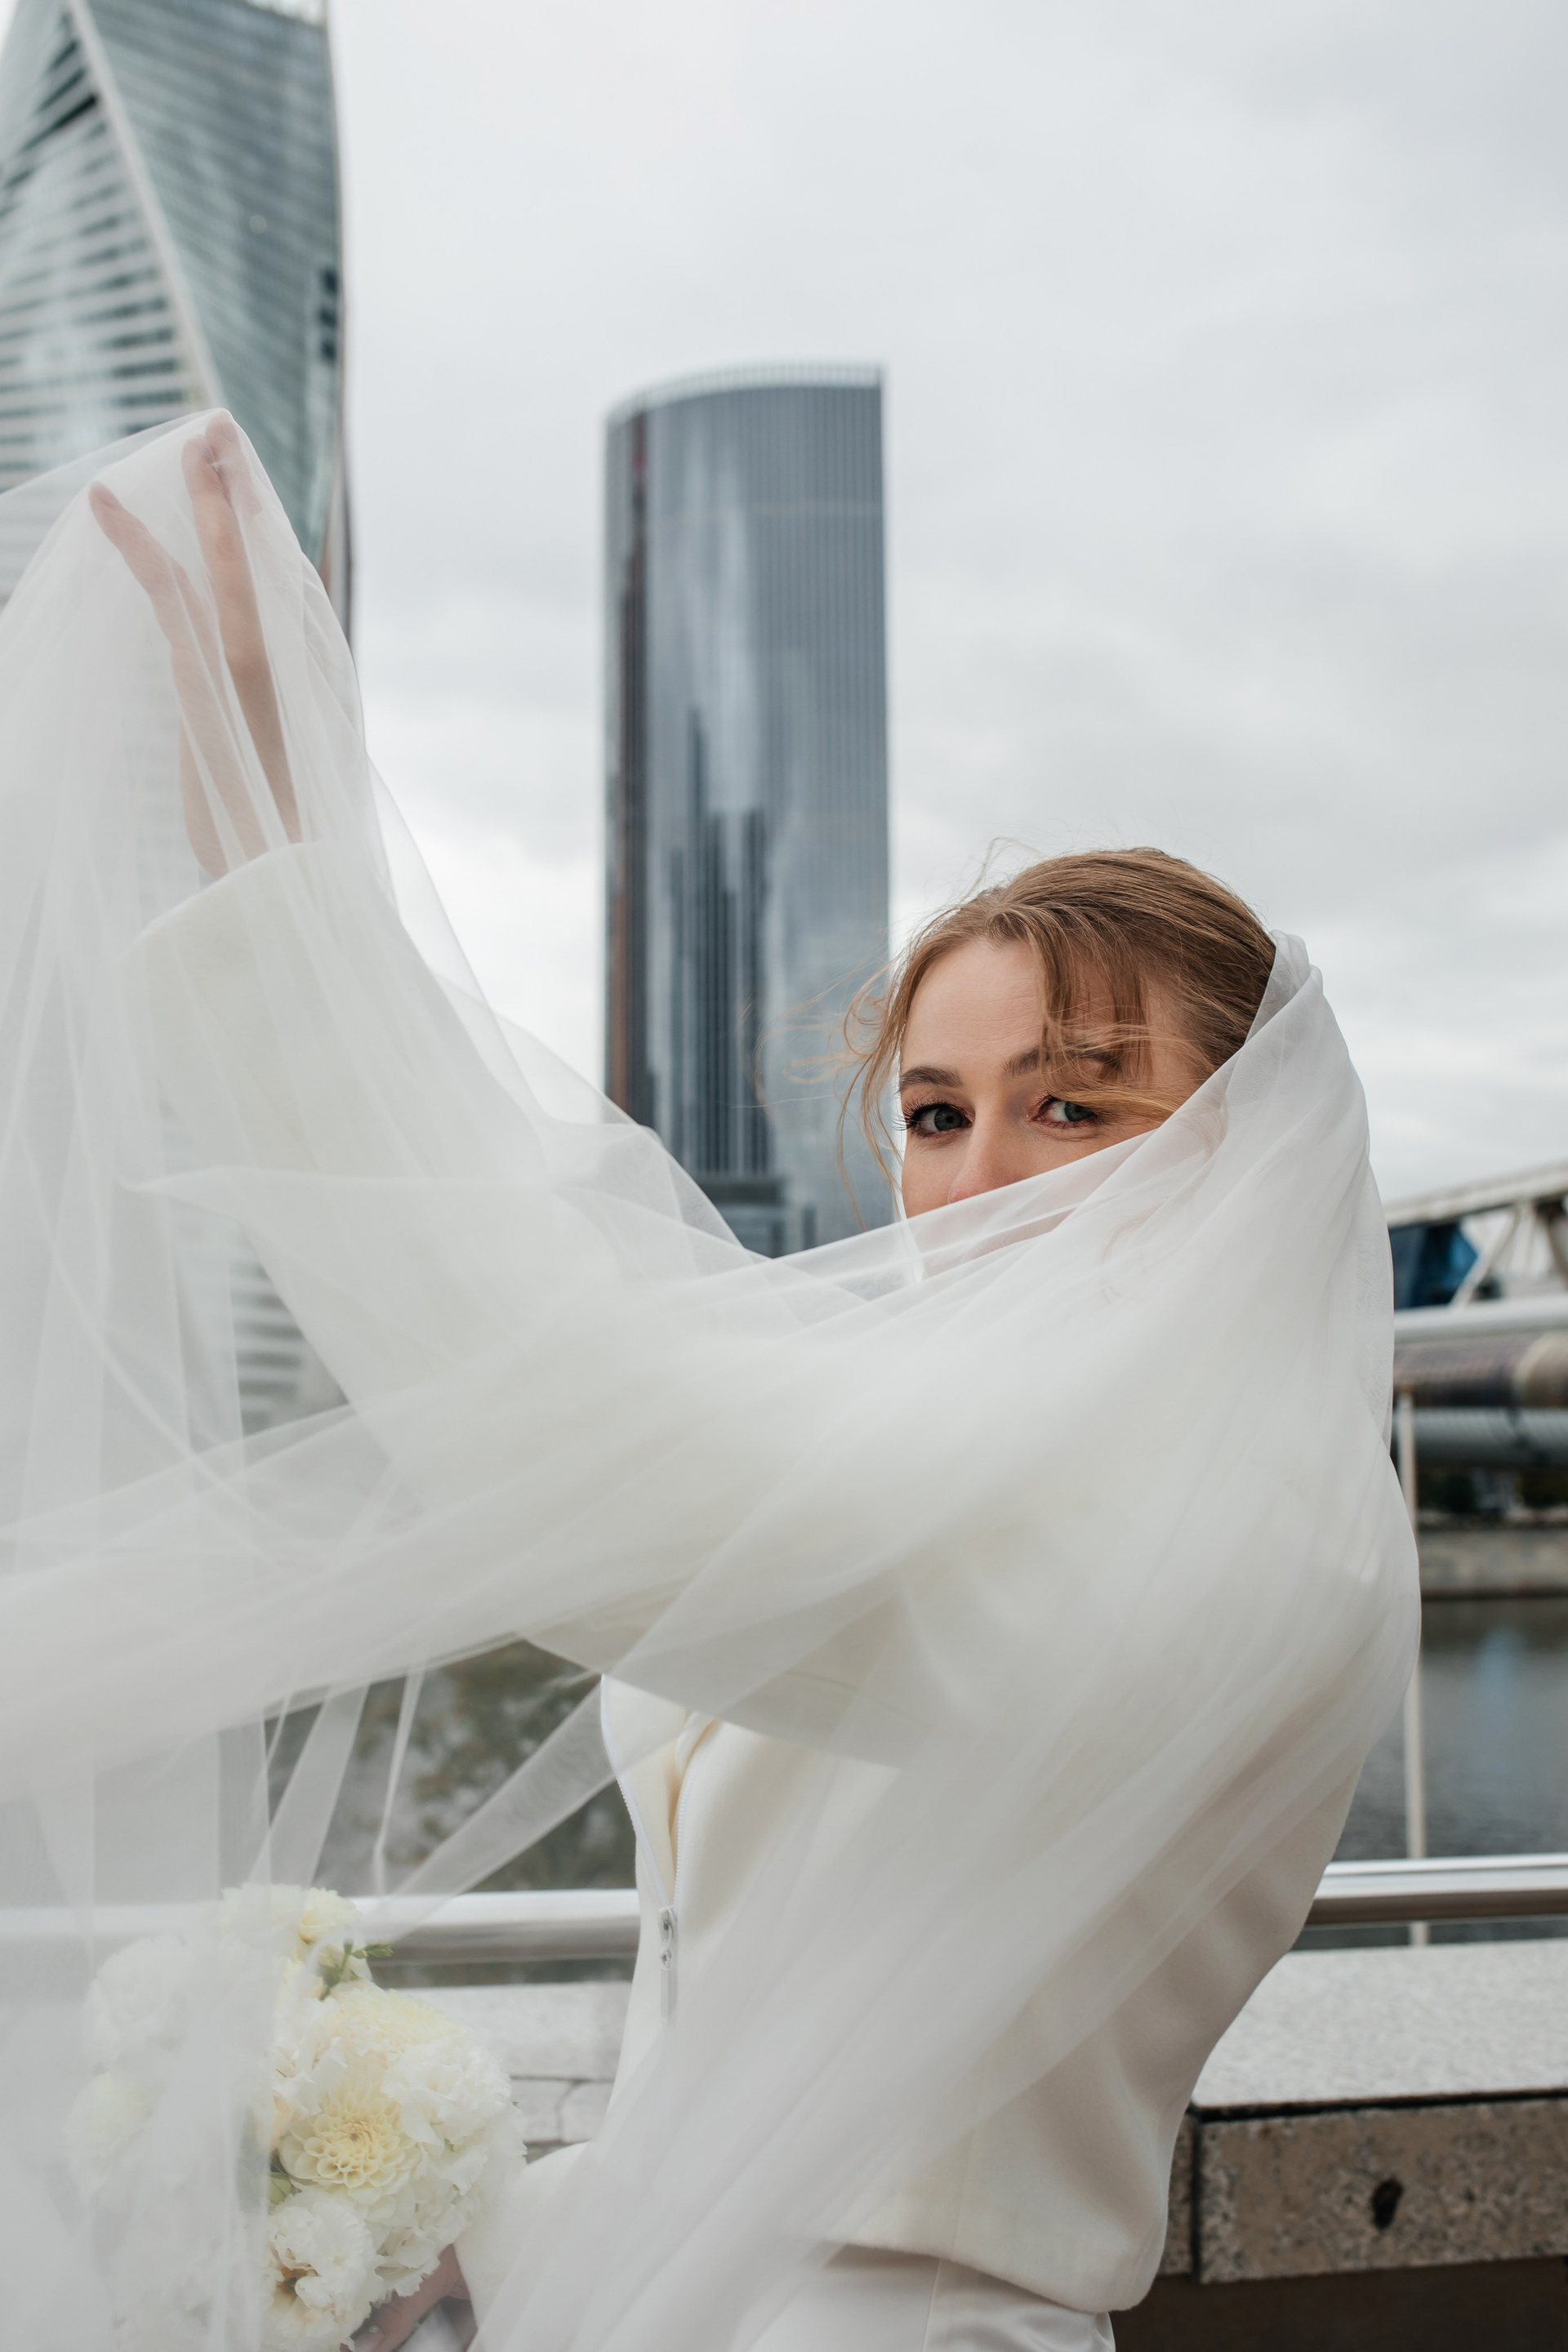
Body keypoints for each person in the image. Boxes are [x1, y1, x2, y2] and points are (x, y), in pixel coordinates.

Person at [0, 417, 1417, 2352]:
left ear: (1242, 1152)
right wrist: (484, 2231)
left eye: (1074, 1106)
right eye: (937, 1115)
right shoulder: (953, 1458)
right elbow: (756, 2047)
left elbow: (632, 1480)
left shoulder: (1265, 1525)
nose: (979, 1182)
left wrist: (281, 901)